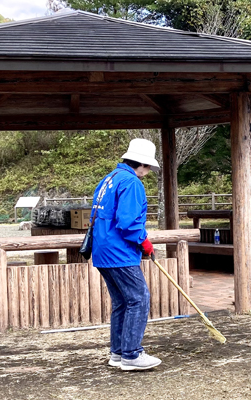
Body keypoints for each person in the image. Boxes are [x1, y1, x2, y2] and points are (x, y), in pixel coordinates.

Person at [91, 138, 161, 371]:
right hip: (119, 252)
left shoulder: (109, 179)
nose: (149, 171)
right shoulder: (131, 182)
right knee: (139, 299)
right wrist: (145, 243)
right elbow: (128, 222)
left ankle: (118, 353)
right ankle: (131, 354)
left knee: (122, 302)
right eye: (149, 166)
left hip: (102, 250)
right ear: (141, 163)